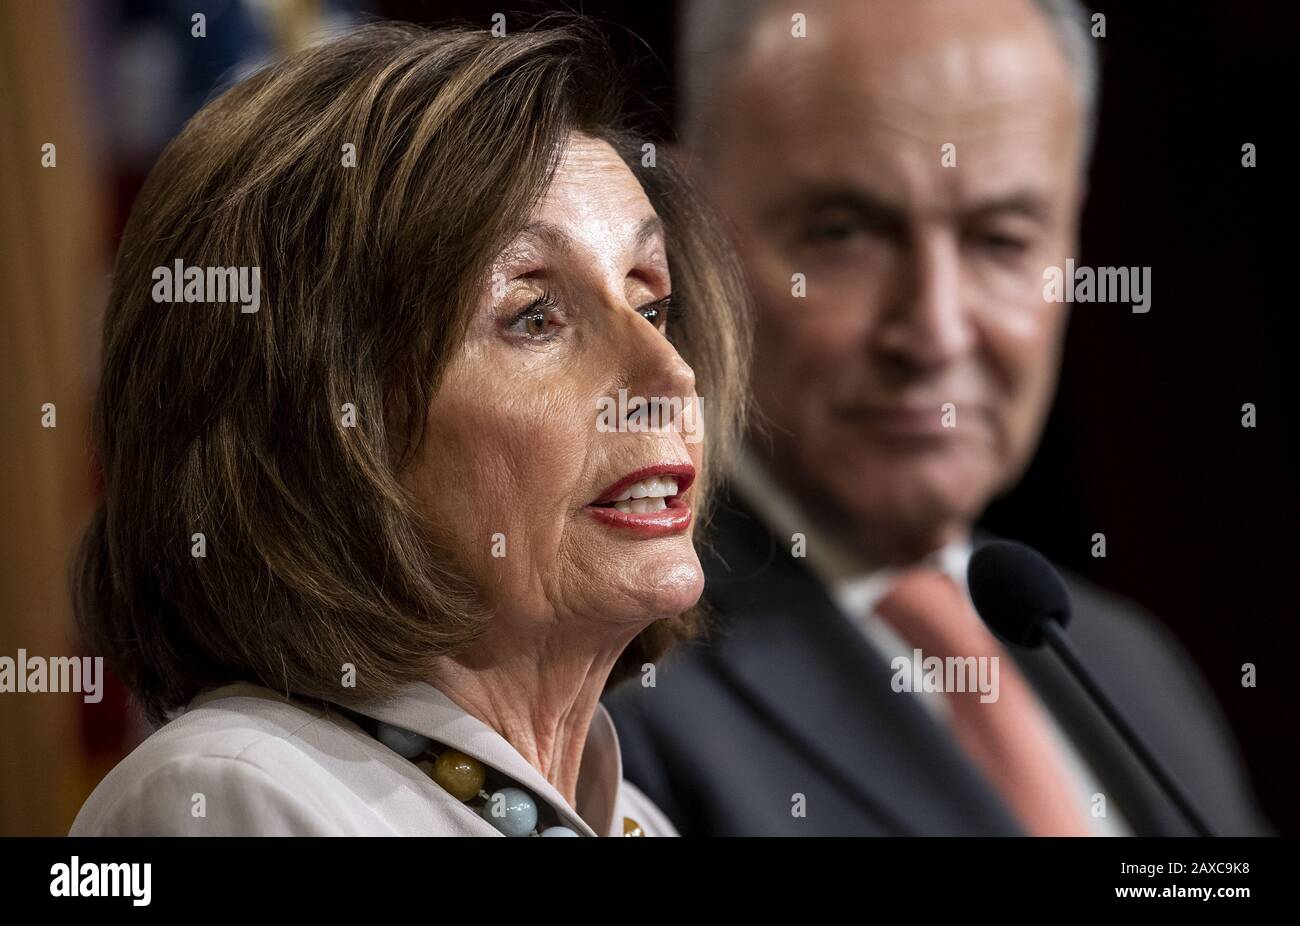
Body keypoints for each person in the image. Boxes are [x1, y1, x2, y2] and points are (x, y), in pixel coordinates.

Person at [69, 21, 750, 836]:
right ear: (322, 425)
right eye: (535, 316)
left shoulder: (630, 818)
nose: (671, 377)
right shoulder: (226, 796)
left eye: (651, 306)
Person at [605, 0, 1269, 835]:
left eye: (1001, 241)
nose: (934, 330)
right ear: (681, 230)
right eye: (844, 232)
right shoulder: (605, 673)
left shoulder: (1128, 665)